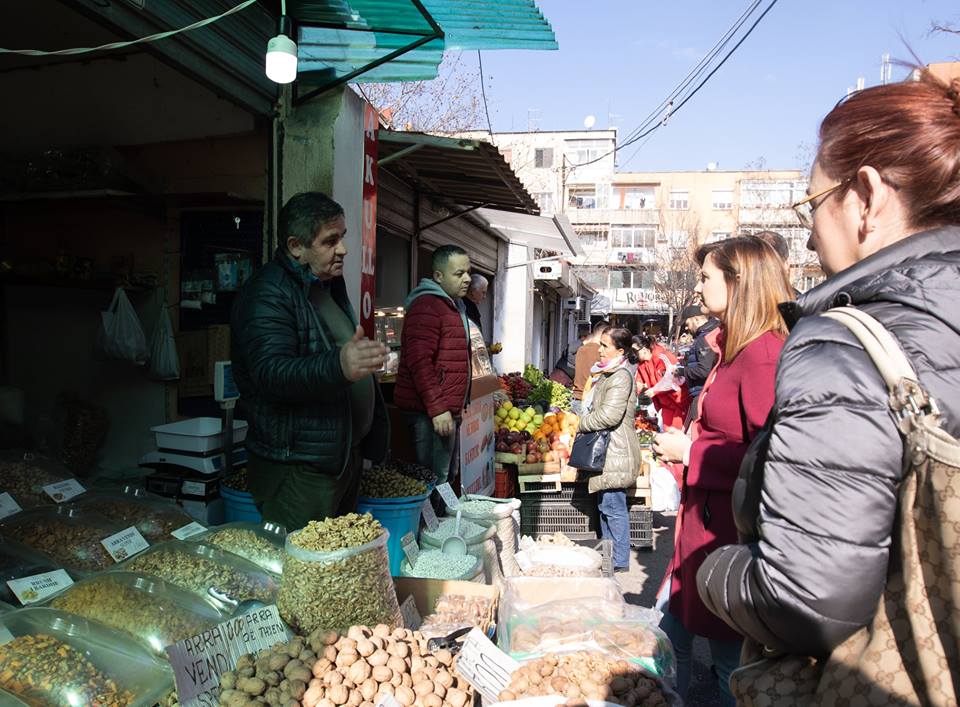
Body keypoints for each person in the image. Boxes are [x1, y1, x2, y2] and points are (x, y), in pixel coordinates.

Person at [697, 71, 960, 703]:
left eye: (812, 205)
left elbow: (807, 598)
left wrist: (713, 573)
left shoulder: (845, 343)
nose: (811, 234)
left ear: (865, 195)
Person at [651, 236, 794, 706]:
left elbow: (772, 457)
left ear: (739, 282)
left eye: (706, 276)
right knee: (676, 634)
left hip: (730, 540)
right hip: (707, 531)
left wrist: (692, 453)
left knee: (733, 662)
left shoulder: (762, 355)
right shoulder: (735, 346)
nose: (698, 285)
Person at [231, 192, 390, 530]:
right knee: (302, 569)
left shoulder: (325, 284)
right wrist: (340, 366)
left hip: (339, 458)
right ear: (295, 246)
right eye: (330, 241)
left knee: (334, 570)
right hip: (298, 468)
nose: (343, 249)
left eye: (342, 237)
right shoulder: (268, 294)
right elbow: (270, 373)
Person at [395, 245, 473, 486]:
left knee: (445, 477)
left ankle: (440, 523)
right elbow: (419, 362)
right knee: (430, 480)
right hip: (428, 415)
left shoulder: (453, 306)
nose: (467, 279)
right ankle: (425, 524)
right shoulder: (427, 306)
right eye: (459, 274)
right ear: (438, 276)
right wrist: (437, 409)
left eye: (468, 272)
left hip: (445, 412)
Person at [577, 326, 641, 572]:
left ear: (620, 350)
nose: (599, 349)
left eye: (605, 346)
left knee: (613, 509)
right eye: (600, 344)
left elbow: (609, 416)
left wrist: (581, 423)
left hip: (616, 450)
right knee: (606, 508)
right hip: (608, 450)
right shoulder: (607, 373)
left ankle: (619, 561)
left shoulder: (621, 376)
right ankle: (610, 558)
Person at [633, 333, 690, 431]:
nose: (632, 354)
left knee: (675, 435)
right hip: (665, 404)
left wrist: (654, 390)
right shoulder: (642, 365)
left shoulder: (662, 356)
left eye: (634, 351)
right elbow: (638, 382)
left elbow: (675, 377)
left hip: (680, 402)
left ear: (644, 349)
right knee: (667, 435)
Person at [675, 304, 720, 424]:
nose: (686, 328)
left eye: (687, 324)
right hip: (707, 392)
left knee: (699, 433)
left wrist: (681, 371)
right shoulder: (712, 333)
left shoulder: (705, 338)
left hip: (702, 394)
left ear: (696, 319)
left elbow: (704, 370)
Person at [572, 320, 609, 413]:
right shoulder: (601, 352)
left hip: (576, 397)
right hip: (589, 400)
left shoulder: (581, 349)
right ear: (603, 335)